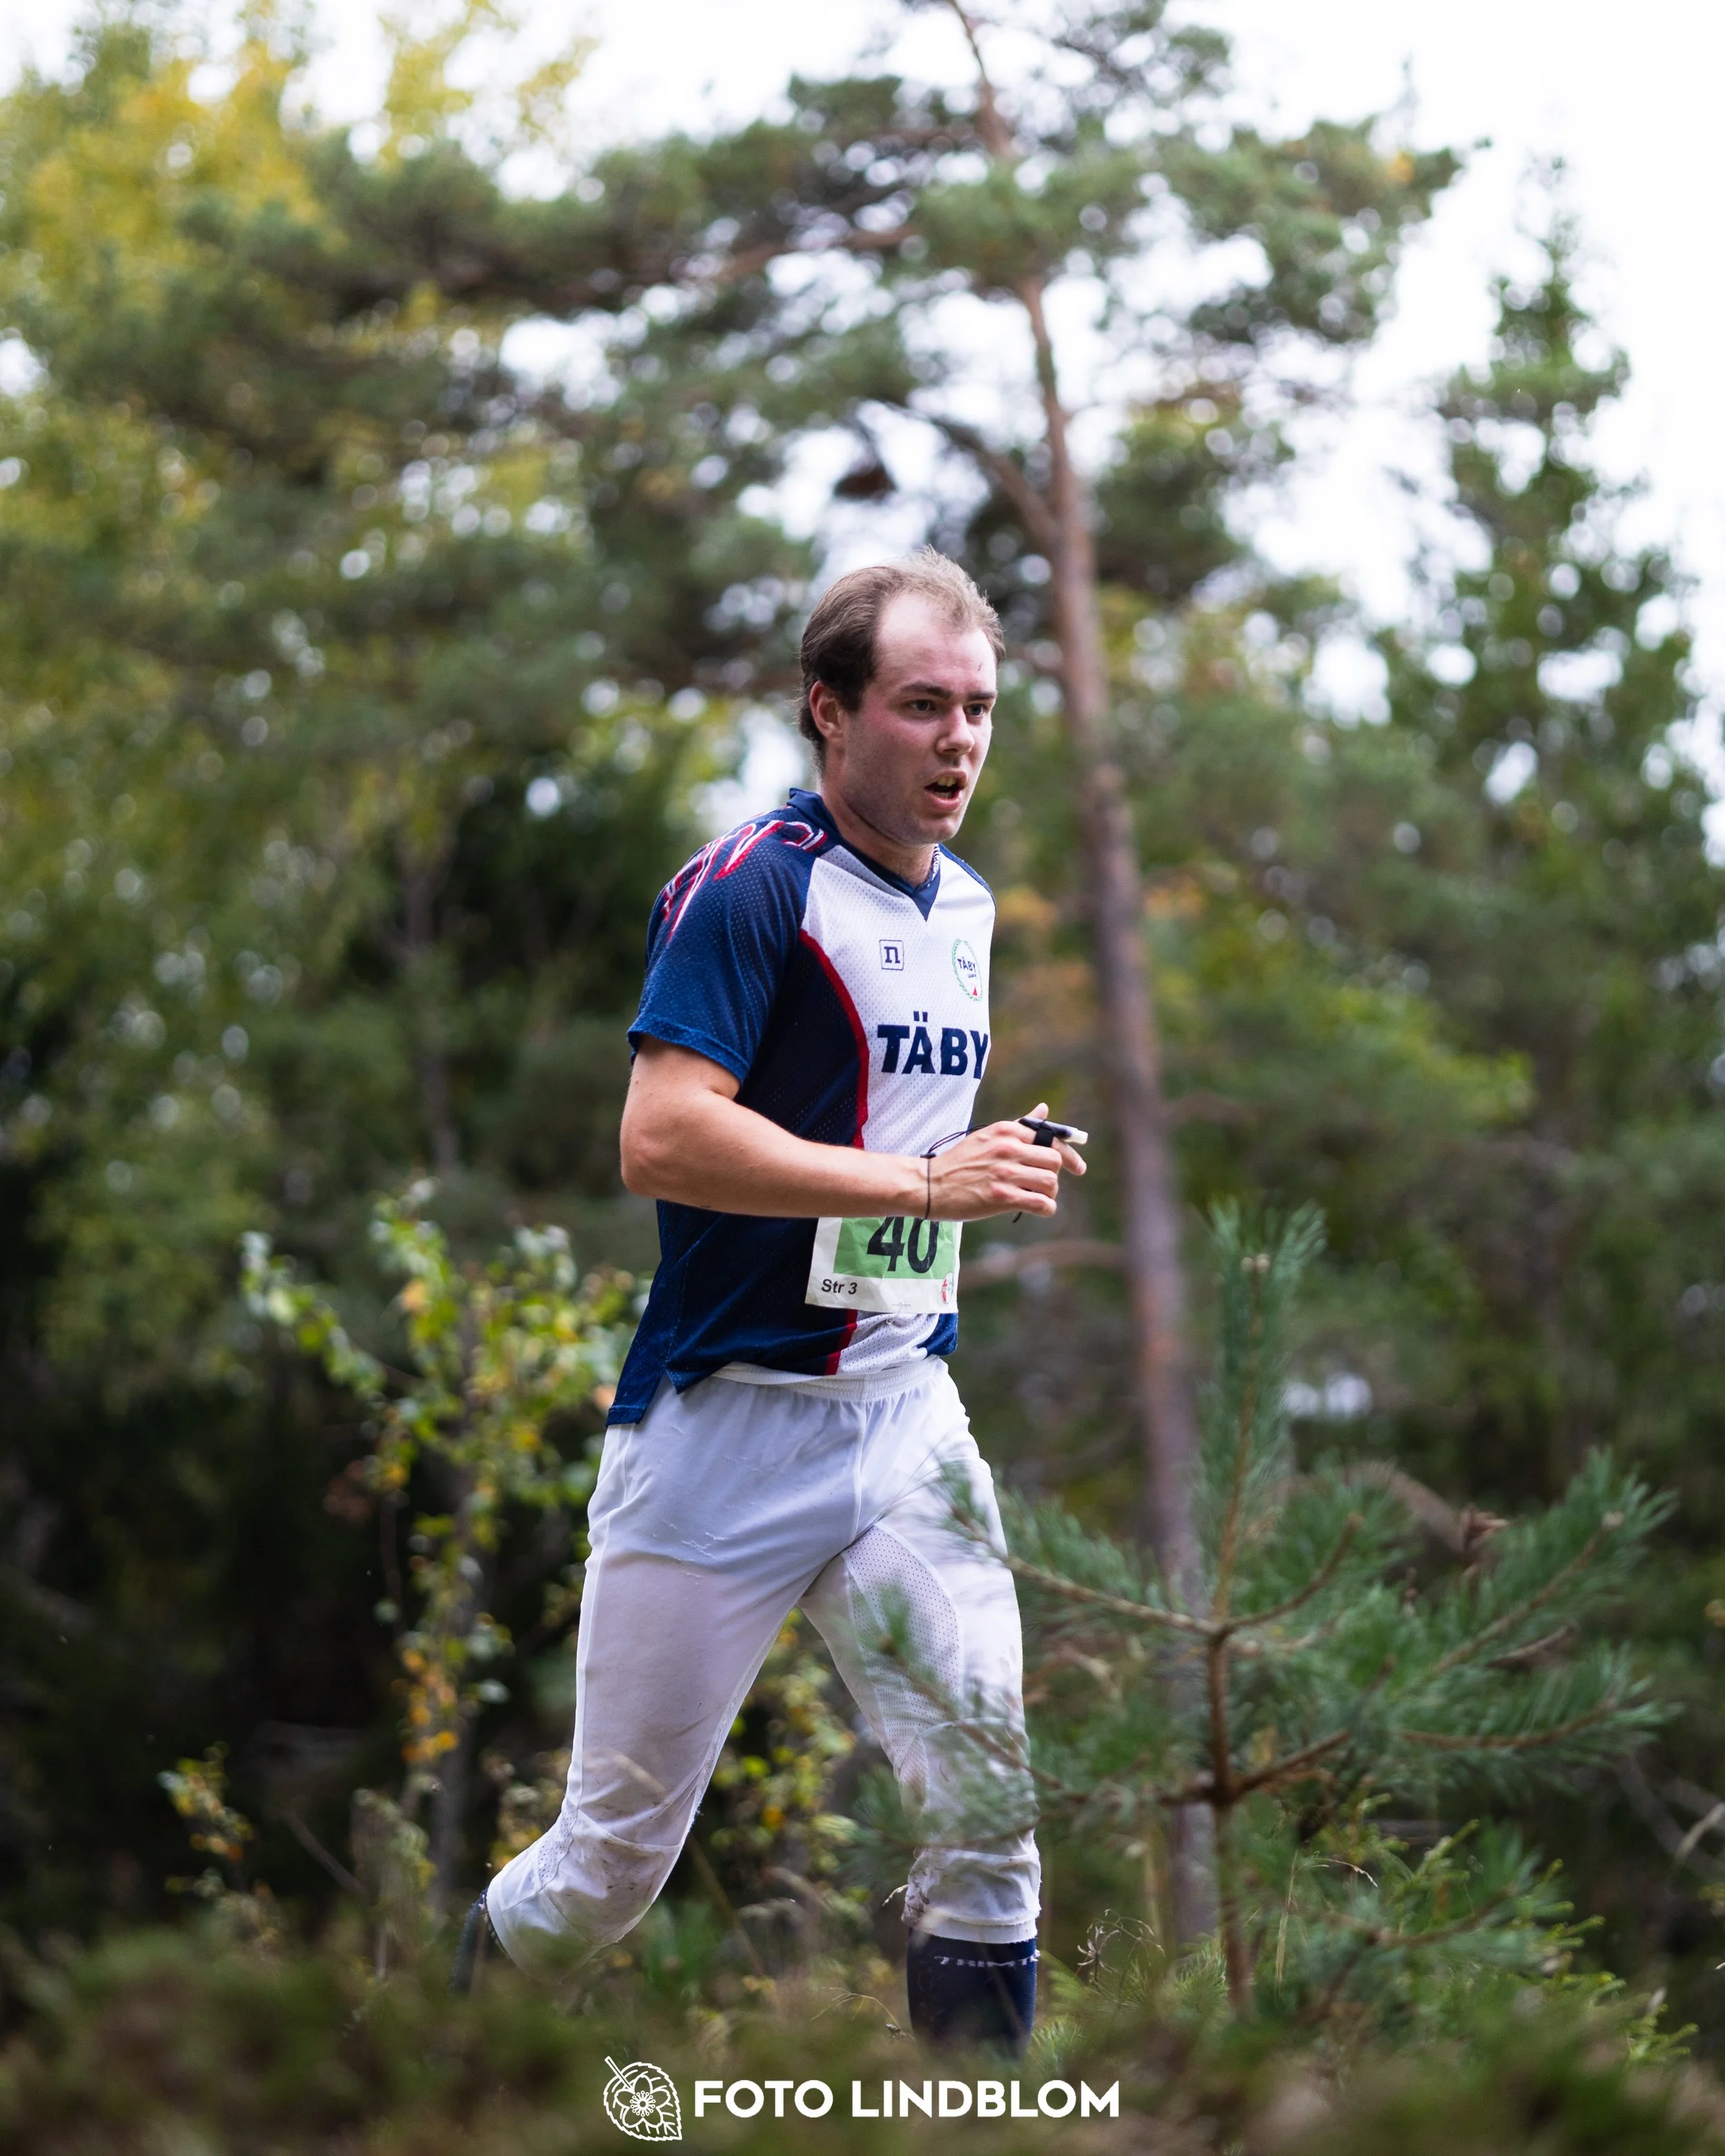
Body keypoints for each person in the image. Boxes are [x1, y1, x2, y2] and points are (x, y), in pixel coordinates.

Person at [455, 548, 1085, 2050]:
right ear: (827, 709)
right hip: (719, 1433)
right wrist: (920, 1183)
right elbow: (658, 1135)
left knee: (990, 1824)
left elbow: (888, 1136)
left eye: (980, 710)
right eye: (921, 705)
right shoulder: (751, 885)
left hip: (901, 1422)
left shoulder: (970, 904)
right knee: (605, 1870)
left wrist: (982, 1165)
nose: (957, 743)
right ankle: (395, 2067)